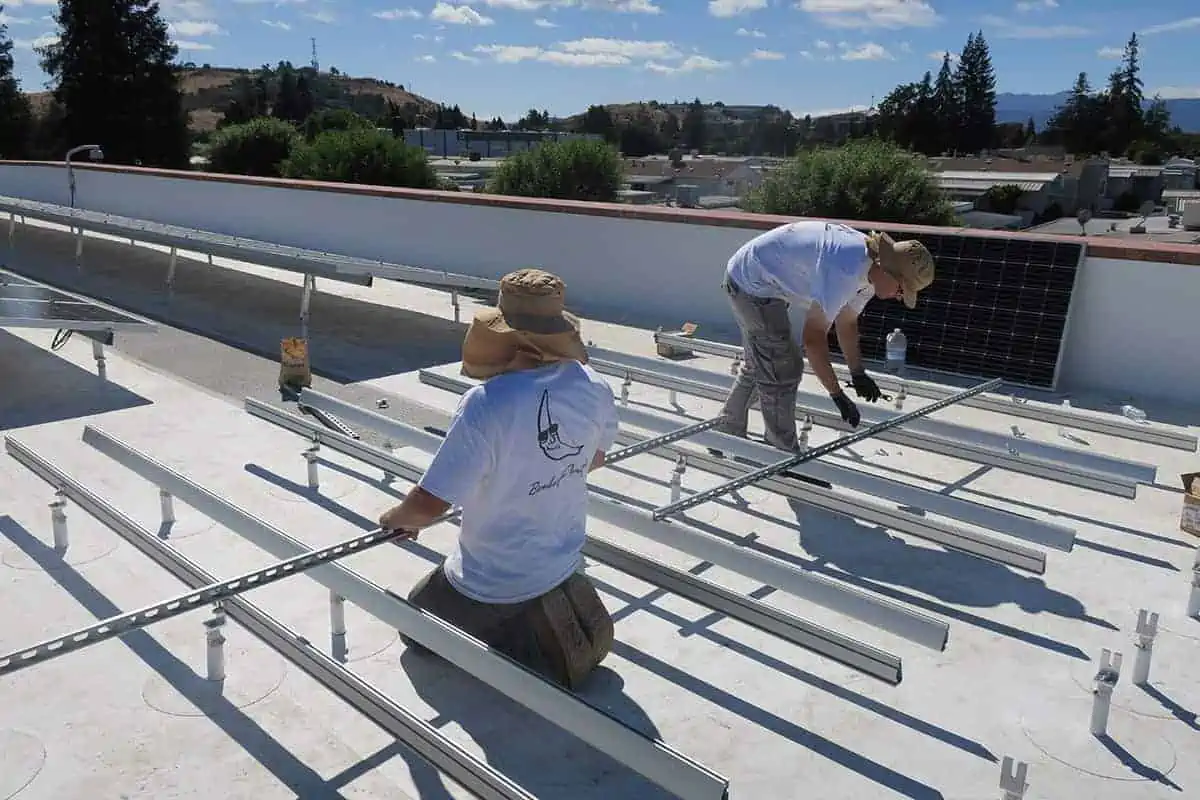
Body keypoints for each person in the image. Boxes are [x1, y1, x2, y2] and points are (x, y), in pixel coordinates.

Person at [377, 268, 619, 690]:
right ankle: (549, 613)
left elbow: (429, 506)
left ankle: (511, 630)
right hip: (563, 557)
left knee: (412, 623)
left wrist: (395, 517)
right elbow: (593, 458)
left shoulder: (488, 403)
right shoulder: (594, 387)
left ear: (506, 333)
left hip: (492, 577)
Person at [715, 220, 935, 452]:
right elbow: (813, 339)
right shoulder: (845, 268)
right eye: (901, 289)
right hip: (750, 283)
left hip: (757, 278)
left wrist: (857, 373)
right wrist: (837, 394)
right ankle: (780, 453)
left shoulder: (870, 269)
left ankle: (727, 428)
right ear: (887, 269)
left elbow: (847, 321)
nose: (899, 297)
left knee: (762, 362)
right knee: (783, 367)